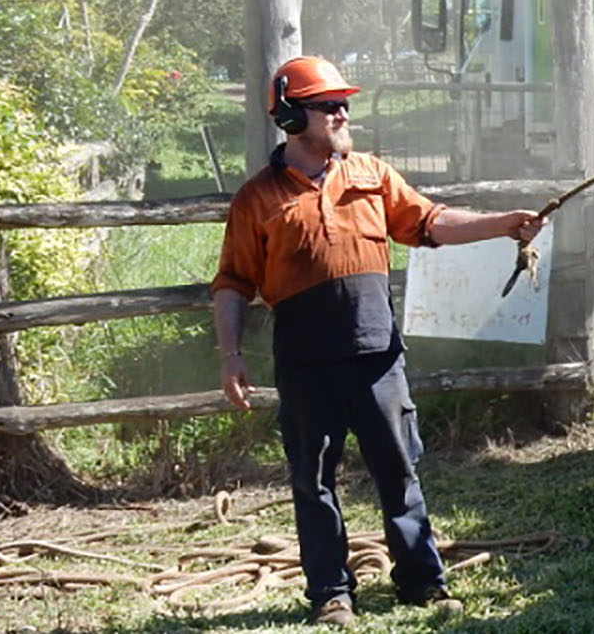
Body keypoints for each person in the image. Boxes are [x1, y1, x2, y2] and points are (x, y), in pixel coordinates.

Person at [211, 56, 544, 626]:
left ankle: (422, 583)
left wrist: (503, 223)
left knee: (399, 469)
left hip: (377, 358)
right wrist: (231, 355)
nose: (343, 112)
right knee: (313, 483)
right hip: (304, 364)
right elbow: (232, 283)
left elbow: (431, 223)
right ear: (293, 115)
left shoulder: (370, 174)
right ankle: (332, 595)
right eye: (329, 105)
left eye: (345, 103)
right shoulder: (257, 199)